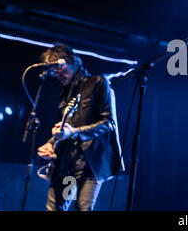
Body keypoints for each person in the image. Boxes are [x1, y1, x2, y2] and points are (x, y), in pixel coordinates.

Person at [37, 43, 124, 211]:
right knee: (55, 207)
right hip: (66, 164)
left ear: (73, 61)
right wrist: (50, 143)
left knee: (82, 208)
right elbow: (65, 126)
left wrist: (76, 132)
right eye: (53, 71)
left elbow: (109, 123)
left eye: (59, 67)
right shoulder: (65, 93)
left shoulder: (98, 83)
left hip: (89, 164)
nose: (56, 73)